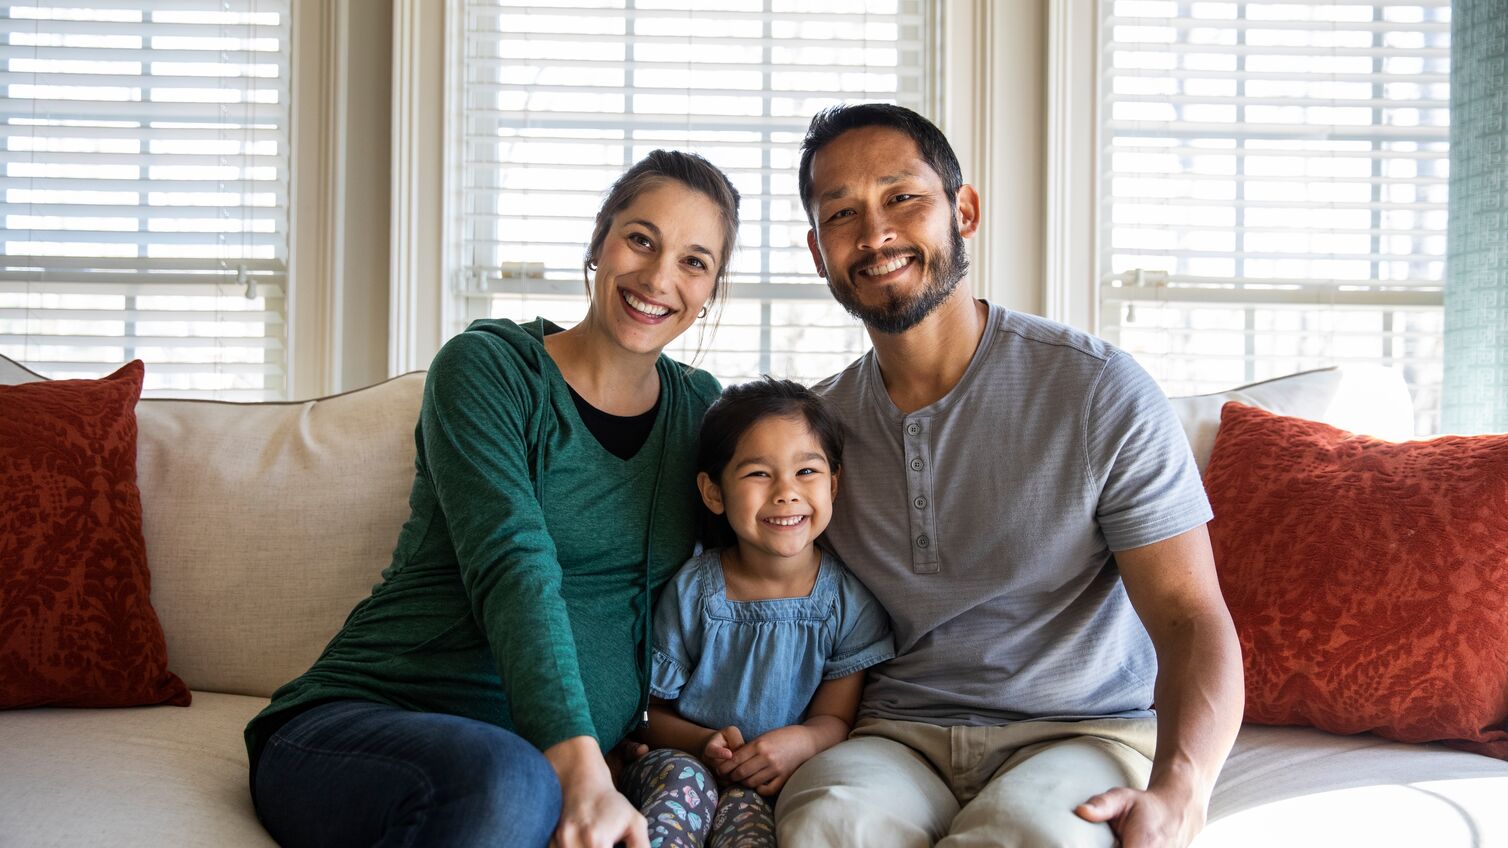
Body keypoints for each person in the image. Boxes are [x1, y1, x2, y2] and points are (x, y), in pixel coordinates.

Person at [774, 103, 1245, 848]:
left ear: (964, 210)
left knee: (1028, 836)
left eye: (903, 198)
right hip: (897, 737)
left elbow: (1192, 617)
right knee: (827, 823)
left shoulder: (1097, 389)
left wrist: (1181, 792)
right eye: (842, 214)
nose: (875, 235)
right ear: (816, 251)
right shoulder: (813, 432)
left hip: (1080, 731)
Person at [243, 150, 740, 848]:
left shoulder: (699, 412)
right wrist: (578, 758)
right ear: (601, 240)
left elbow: (749, 570)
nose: (659, 278)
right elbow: (513, 564)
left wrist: (806, 731)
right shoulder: (490, 370)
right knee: (512, 785)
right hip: (371, 726)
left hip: (559, 762)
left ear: (713, 288)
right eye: (640, 239)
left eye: (694, 261)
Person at [620, 377, 895, 848]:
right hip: (682, 763)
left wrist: (801, 744)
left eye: (806, 472)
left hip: (773, 779)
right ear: (714, 492)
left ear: (834, 482)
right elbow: (648, 713)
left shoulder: (847, 604)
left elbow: (834, 721)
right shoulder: (693, 591)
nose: (786, 492)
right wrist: (700, 743)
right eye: (758, 474)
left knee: (749, 820)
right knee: (683, 790)